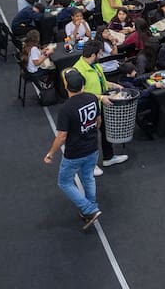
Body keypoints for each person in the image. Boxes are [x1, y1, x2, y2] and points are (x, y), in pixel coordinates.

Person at [43, 68, 103, 230]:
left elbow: (62, 136)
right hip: (92, 147)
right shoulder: (92, 98)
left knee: (64, 182)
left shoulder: (66, 109)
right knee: (88, 178)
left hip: (75, 152)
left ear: (66, 86)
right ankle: (90, 209)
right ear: (82, 84)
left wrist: (50, 153)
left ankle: (89, 209)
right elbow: (98, 121)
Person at [72, 40, 129, 171]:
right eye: (99, 53)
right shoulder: (78, 70)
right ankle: (90, 166)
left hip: (101, 105)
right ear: (93, 55)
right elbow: (80, 93)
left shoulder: (95, 65)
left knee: (105, 131)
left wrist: (114, 85)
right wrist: (100, 97)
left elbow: (101, 81)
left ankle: (108, 157)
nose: (101, 55)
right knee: (89, 138)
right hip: (88, 109)